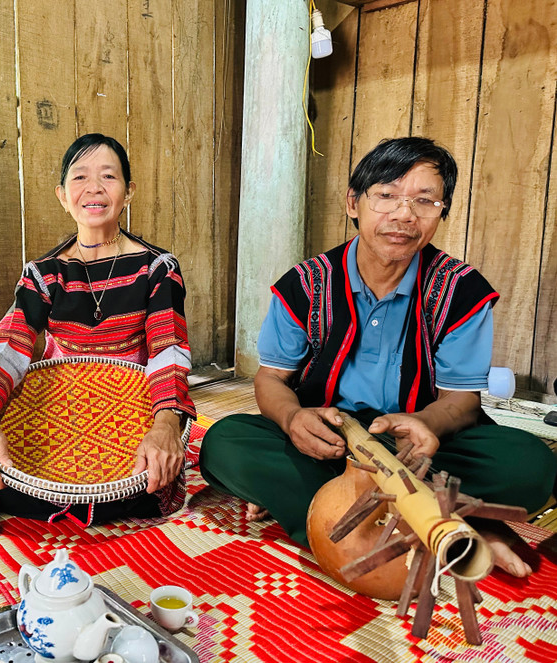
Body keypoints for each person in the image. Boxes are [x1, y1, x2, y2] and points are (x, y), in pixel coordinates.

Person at [200, 137, 557, 578]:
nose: (405, 215)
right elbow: (271, 378)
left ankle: (339, 517)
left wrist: (427, 424)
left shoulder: (461, 291)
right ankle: (445, 526)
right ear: (354, 202)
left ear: (441, 212)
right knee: (226, 443)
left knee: (529, 464)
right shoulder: (304, 284)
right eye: (387, 196)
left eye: (424, 201)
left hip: (418, 449)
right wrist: (293, 419)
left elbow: (461, 402)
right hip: (328, 445)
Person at [0, 133, 197, 524]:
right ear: (61, 194)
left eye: (108, 176)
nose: (94, 188)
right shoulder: (45, 273)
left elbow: (167, 351)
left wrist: (166, 423)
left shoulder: (156, 269)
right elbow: (9, 344)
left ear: (128, 192)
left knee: (139, 487)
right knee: (7, 479)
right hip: (60, 409)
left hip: (133, 411)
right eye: (79, 178)